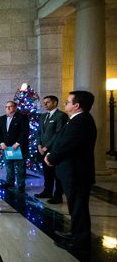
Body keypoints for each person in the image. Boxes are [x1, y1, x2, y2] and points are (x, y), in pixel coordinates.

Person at [45, 90, 96, 251]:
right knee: (76, 207)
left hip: (76, 172)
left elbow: (67, 145)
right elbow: (62, 141)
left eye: (68, 102)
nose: (65, 104)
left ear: (76, 105)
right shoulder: (77, 119)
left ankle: (80, 241)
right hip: (73, 171)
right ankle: (75, 233)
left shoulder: (80, 121)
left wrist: (51, 158)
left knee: (78, 207)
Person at [35, 95, 69, 203]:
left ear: (54, 103)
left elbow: (58, 133)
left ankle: (58, 195)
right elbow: (39, 132)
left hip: (54, 149)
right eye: (44, 102)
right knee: (47, 172)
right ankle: (47, 191)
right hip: (43, 149)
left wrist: (46, 147)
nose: (45, 104)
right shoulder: (42, 116)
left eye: (47, 102)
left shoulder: (61, 116)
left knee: (56, 173)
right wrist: (39, 145)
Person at [0, 101, 29, 194]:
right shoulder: (1, 119)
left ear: (15, 107)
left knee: (20, 168)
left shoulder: (22, 117)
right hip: (6, 148)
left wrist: (18, 143)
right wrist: (1, 143)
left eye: (10, 106)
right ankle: (9, 183)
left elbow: (25, 132)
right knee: (9, 167)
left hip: (18, 148)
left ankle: (20, 186)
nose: (8, 108)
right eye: (6, 106)